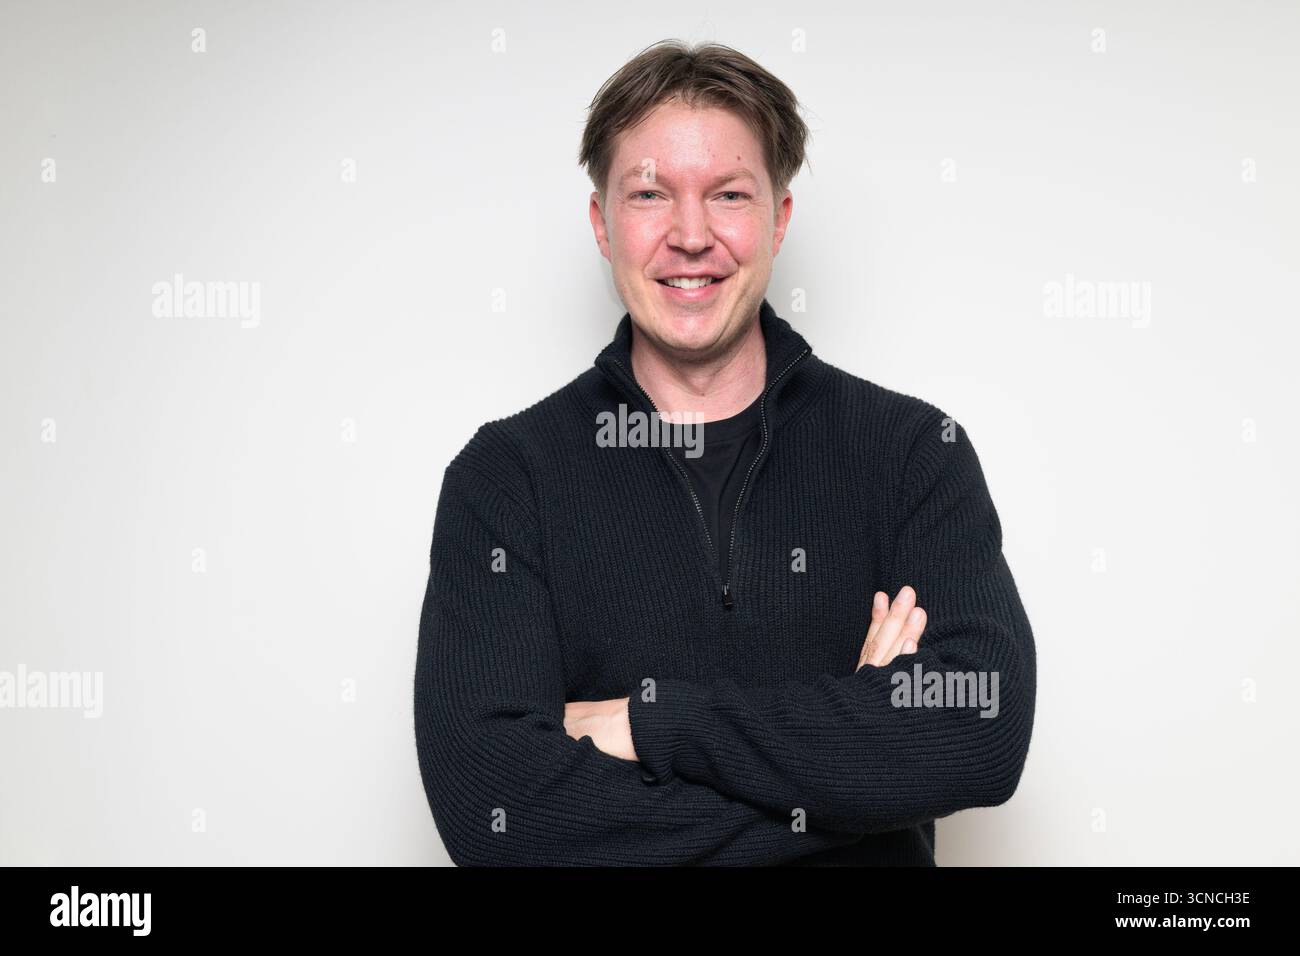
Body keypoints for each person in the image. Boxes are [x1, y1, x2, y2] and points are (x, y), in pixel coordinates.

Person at [414, 39, 1036, 866]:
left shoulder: (913, 454)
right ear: (602, 223)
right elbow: (493, 811)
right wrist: (853, 768)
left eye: (730, 194)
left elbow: (982, 727)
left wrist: (644, 723)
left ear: (779, 218)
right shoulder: (505, 480)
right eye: (649, 194)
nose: (692, 235)